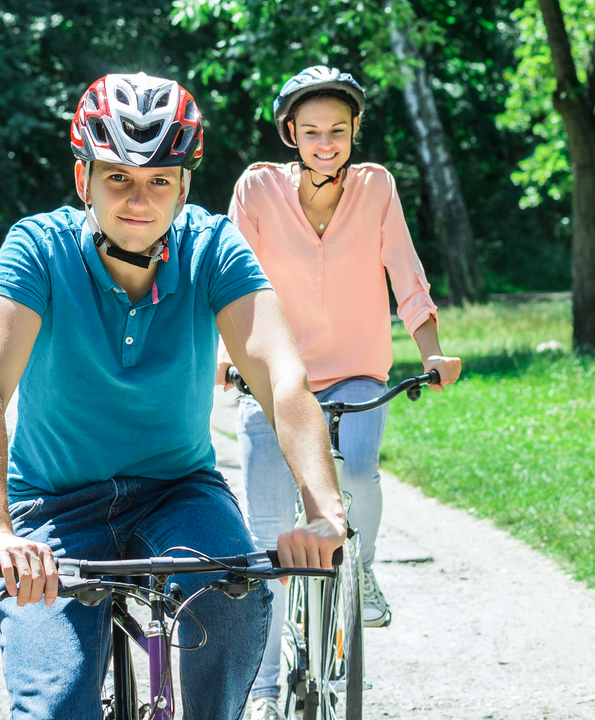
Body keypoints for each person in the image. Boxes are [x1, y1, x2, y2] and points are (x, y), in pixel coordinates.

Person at [0, 72, 346, 720]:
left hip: (177, 493)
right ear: (84, 179)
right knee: (55, 706)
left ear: (184, 186)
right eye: (119, 178)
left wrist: (323, 511)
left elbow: (283, 380)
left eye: (160, 180)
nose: (140, 199)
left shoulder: (212, 248)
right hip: (51, 509)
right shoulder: (37, 249)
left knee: (235, 594)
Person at [216, 66, 462, 719]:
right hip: (276, 374)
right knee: (269, 535)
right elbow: (230, 277)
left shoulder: (376, 188)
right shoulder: (258, 189)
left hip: (357, 367)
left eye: (339, 130)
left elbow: (407, 274)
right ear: (291, 132)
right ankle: (265, 690)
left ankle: (363, 569)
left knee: (359, 466)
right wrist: (225, 356)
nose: (326, 142)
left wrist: (431, 350)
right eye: (313, 131)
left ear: (354, 133)